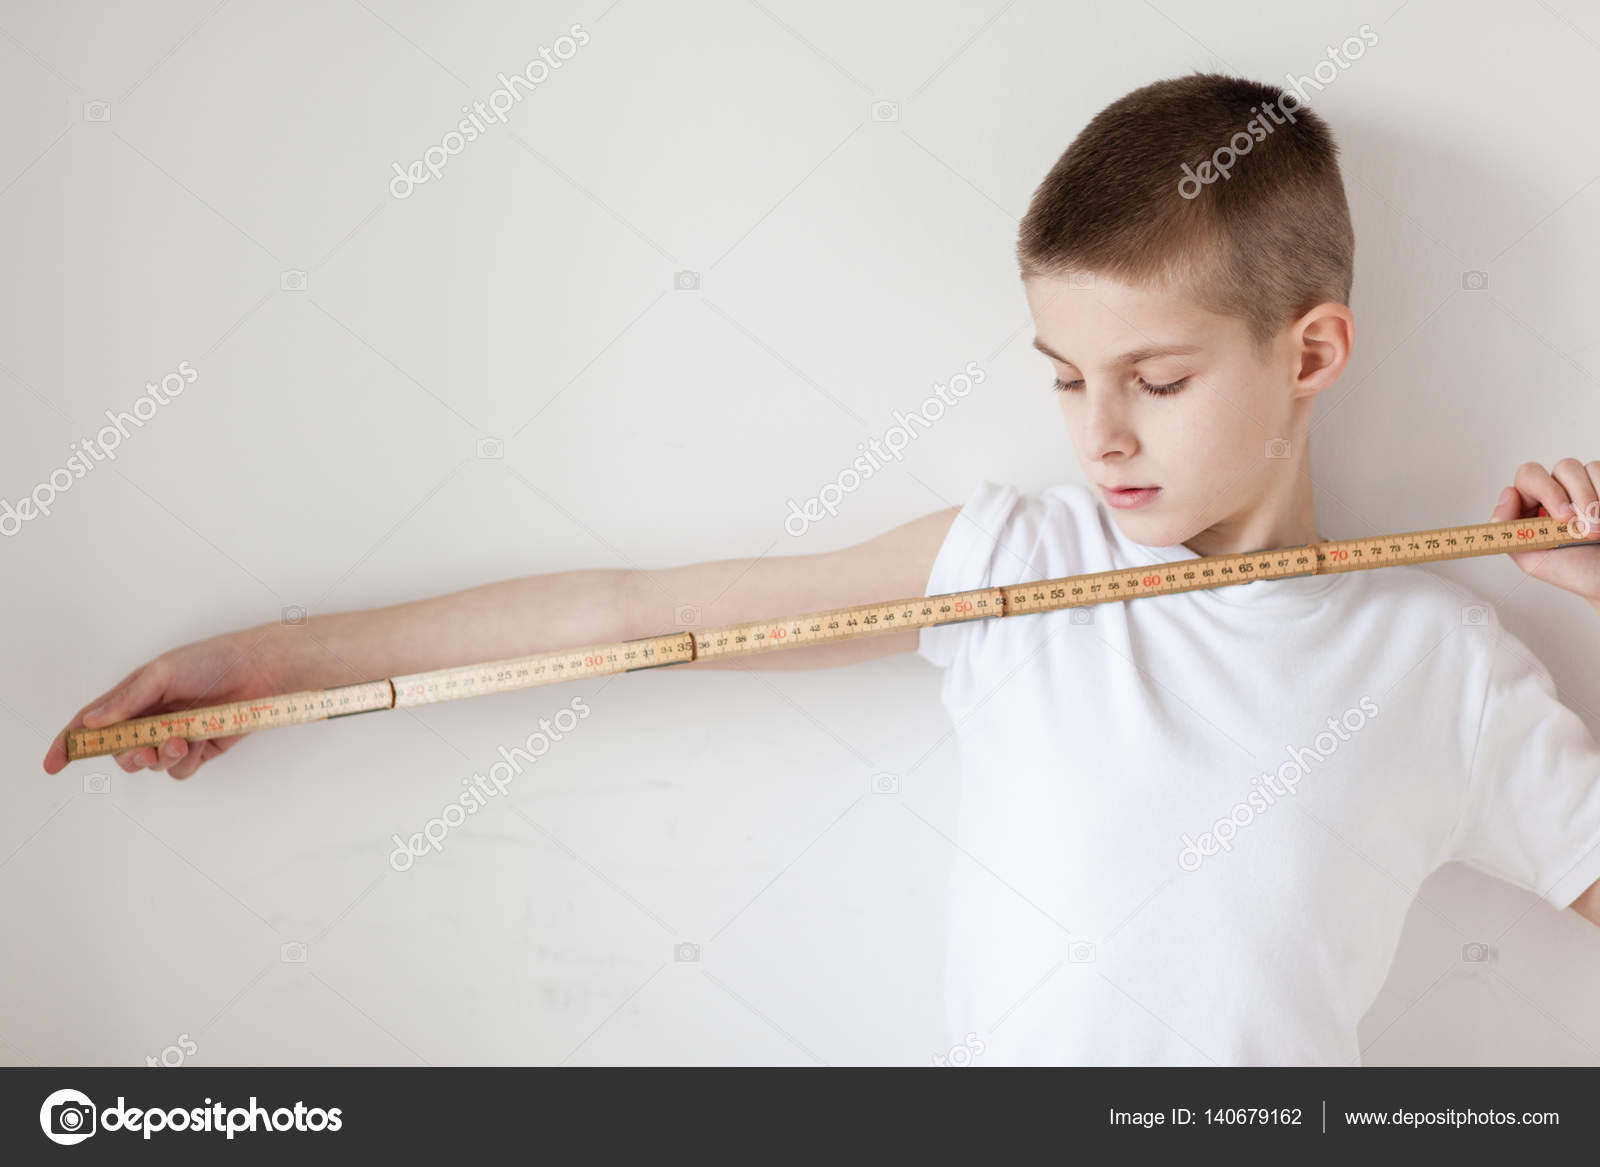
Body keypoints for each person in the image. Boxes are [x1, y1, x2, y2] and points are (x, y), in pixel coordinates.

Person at [40, 72, 1600, 1064]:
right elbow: (638, 619)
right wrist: (273, 667)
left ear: (1313, 348)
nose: (1100, 436)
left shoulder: (1441, 663)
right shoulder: (1011, 562)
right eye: (1063, 375)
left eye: (1159, 379)